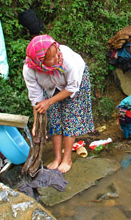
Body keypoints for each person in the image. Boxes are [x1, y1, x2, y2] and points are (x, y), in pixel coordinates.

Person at [23, 35, 94, 173]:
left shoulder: (68, 61)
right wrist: (37, 123)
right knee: (54, 118)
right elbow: (36, 98)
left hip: (73, 84)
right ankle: (57, 157)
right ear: (40, 61)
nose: (57, 57)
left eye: (57, 53)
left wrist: (48, 102)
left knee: (70, 117)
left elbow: (72, 88)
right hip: (51, 87)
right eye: (52, 57)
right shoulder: (30, 70)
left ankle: (67, 158)